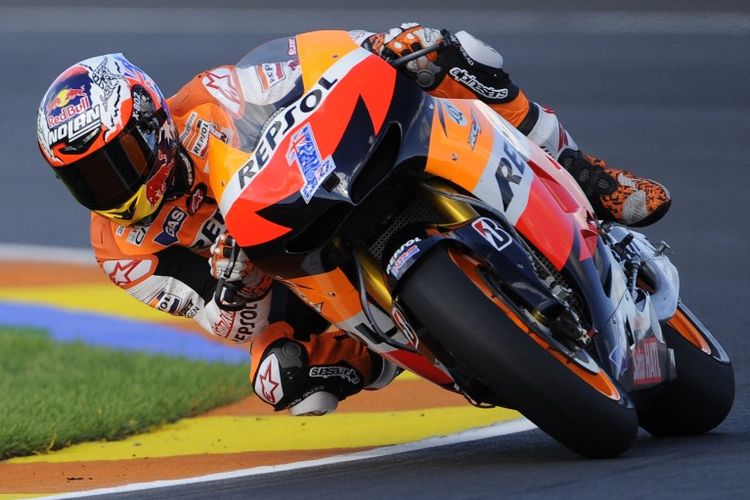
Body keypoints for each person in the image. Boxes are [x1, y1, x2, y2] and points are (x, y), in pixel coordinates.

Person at [36, 24, 671, 416]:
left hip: (326, 178)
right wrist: (235, 283)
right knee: (277, 378)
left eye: (117, 160)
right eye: (86, 178)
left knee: (445, 51)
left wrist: (376, 47)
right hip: (289, 275)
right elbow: (227, 324)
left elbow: (318, 59)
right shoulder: (124, 251)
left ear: (152, 124)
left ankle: (587, 173)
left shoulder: (212, 97)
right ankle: (395, 351)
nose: (110, 186)